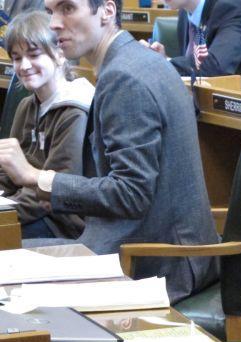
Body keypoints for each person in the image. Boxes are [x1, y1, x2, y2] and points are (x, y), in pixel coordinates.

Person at [0, 0, 218, 303]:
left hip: (157, 261)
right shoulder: (138, 61)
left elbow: (131, 194)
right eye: (51, 12)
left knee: (9, 286)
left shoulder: (123, 77)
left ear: (107, 11)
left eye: (67, 9)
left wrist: (38, 178)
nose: (54, 24)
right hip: (156, 246)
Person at [0, 11, 94, 240]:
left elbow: (55, 191)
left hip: (60, 223)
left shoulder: (74, 110)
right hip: (23, 210)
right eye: (16, 57)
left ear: (60, 55)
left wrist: (6, 213)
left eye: (33, 55)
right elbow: (7, 174)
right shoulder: (26, 105)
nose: (24, 66)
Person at [145, 0, 241, 94]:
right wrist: (164, 60)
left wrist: (164, 64)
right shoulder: (184, 12)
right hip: (204, 106)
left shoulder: (230, 9)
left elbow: (215, 67)